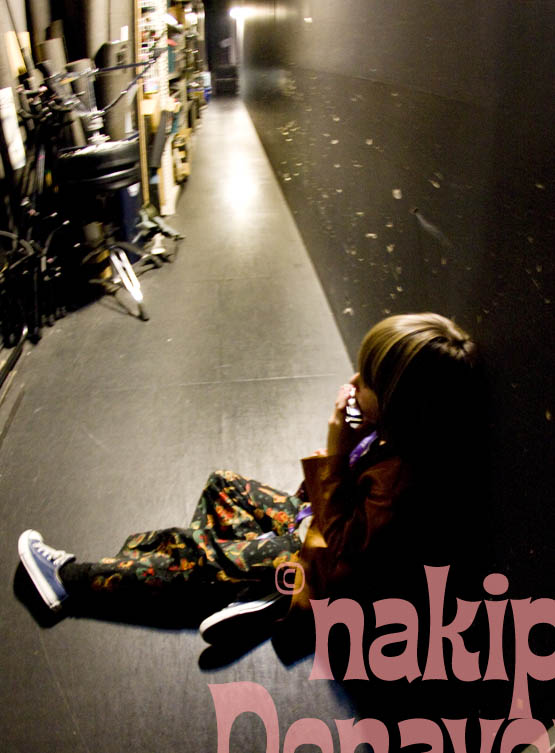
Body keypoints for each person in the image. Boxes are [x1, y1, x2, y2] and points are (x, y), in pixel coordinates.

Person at [17, 312, 484, 642]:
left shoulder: (398, 484)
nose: (354, 381)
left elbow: (343, 554)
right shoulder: (392, 438)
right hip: (314, 528)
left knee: (194, 554)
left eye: (369, 381)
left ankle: (69, 580)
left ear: (401, 406)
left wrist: (336, 453)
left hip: (322, 575)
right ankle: (247, 587)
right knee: (223, 485)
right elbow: (325, 510)